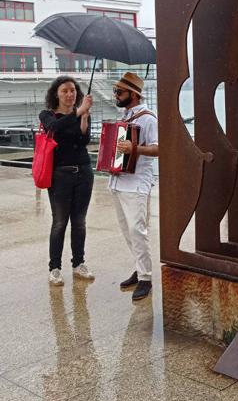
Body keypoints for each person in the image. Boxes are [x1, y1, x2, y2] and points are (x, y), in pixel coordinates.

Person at [39, 76, 95, 286]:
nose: (70, 94)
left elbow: (83, 141)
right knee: (60, 222)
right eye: (65, 91)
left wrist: (83, 120)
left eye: (73, 90)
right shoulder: (47, 115)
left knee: (79, 222)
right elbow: (56, 128)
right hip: (59, 175)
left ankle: (78, 263)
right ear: (56, 93)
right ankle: (54, 268)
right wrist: (78, 112)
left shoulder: (80, 113)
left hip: (83, 172)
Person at [108, 72, 158, 301]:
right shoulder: (126, 117)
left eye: (119, 92)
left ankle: (146, 278)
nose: (115, 95)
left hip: (137, 185)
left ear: (134, 94)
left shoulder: (148, 119)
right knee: (128, 231)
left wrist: (134, 149)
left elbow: (159, 149)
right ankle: (140, 270)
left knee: (138, 231)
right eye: (115, 91)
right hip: (118, 183)